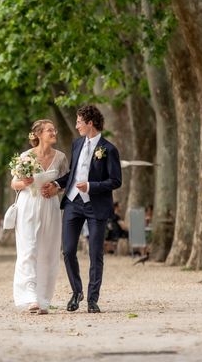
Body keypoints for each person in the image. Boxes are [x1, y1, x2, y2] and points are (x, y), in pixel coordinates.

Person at [43, 105, 122, 314]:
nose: (76, 125)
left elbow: (115, 181)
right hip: (72, 203)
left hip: (96, 205)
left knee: (96, 254)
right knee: (68, 251)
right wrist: (58, 185)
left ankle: (92, 299)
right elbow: (72, 175)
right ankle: (76, 291)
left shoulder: (109, 149)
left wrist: (91, 187)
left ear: (90, 123)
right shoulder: (77, 144)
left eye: (79, 122)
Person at [11, 119, 68, 315]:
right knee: (28, 249)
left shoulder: (60, 157)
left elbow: (66, 182)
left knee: (49, 251)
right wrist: (26, 182)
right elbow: (14, 184)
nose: (54, 133)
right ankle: (29, 296)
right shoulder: (26, 156)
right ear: (38, 134)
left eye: (54, 129)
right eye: (49, 130)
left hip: (50, 206)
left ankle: (43, 298)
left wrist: (56, 190)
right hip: (28, 205)